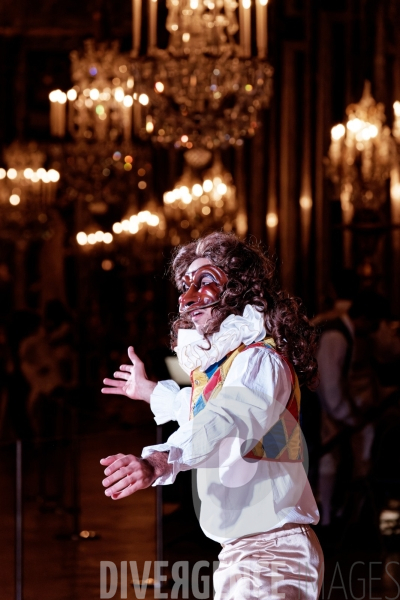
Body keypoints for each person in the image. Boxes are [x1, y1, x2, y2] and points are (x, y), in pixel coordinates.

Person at [101, 232, 324, 599]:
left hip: (271, 553)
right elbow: (203, 410)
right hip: (248, 554)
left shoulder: (260, 360)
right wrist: (151, 391)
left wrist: (159, 461)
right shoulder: (233, 367)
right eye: (185, 285)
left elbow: (226, 420)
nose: (187, 299)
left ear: (239, 288)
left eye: (205, 282)